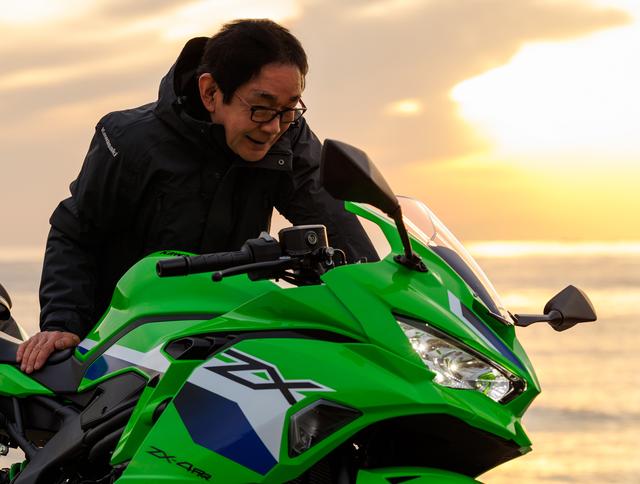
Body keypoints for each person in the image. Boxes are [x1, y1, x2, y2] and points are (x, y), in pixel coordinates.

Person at [17, 19, 376, 374]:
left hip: (221, 345)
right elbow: (76, 233)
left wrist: (381, 305)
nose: (273, 127)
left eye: (289, 109)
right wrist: (62, 323)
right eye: (261, 107)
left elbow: (335, 221)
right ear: (210, 92)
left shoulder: (288, 135)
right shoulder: (130, 140)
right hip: (120, 349)